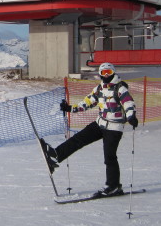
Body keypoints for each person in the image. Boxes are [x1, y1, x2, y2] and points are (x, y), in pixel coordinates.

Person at [41, 62, 138, 197]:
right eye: (103, 73)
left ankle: (113, 186)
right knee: (79, 138)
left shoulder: (120, 88)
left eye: (109, 72)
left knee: (109, 157)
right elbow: (87, 102)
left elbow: (128, 103)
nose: (106, 75)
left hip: (114, 128)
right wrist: (70, 108)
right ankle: (56, 155)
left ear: (113, 73)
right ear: (100, 74)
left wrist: (131, 116)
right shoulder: (99, 89)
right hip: (100, 123)